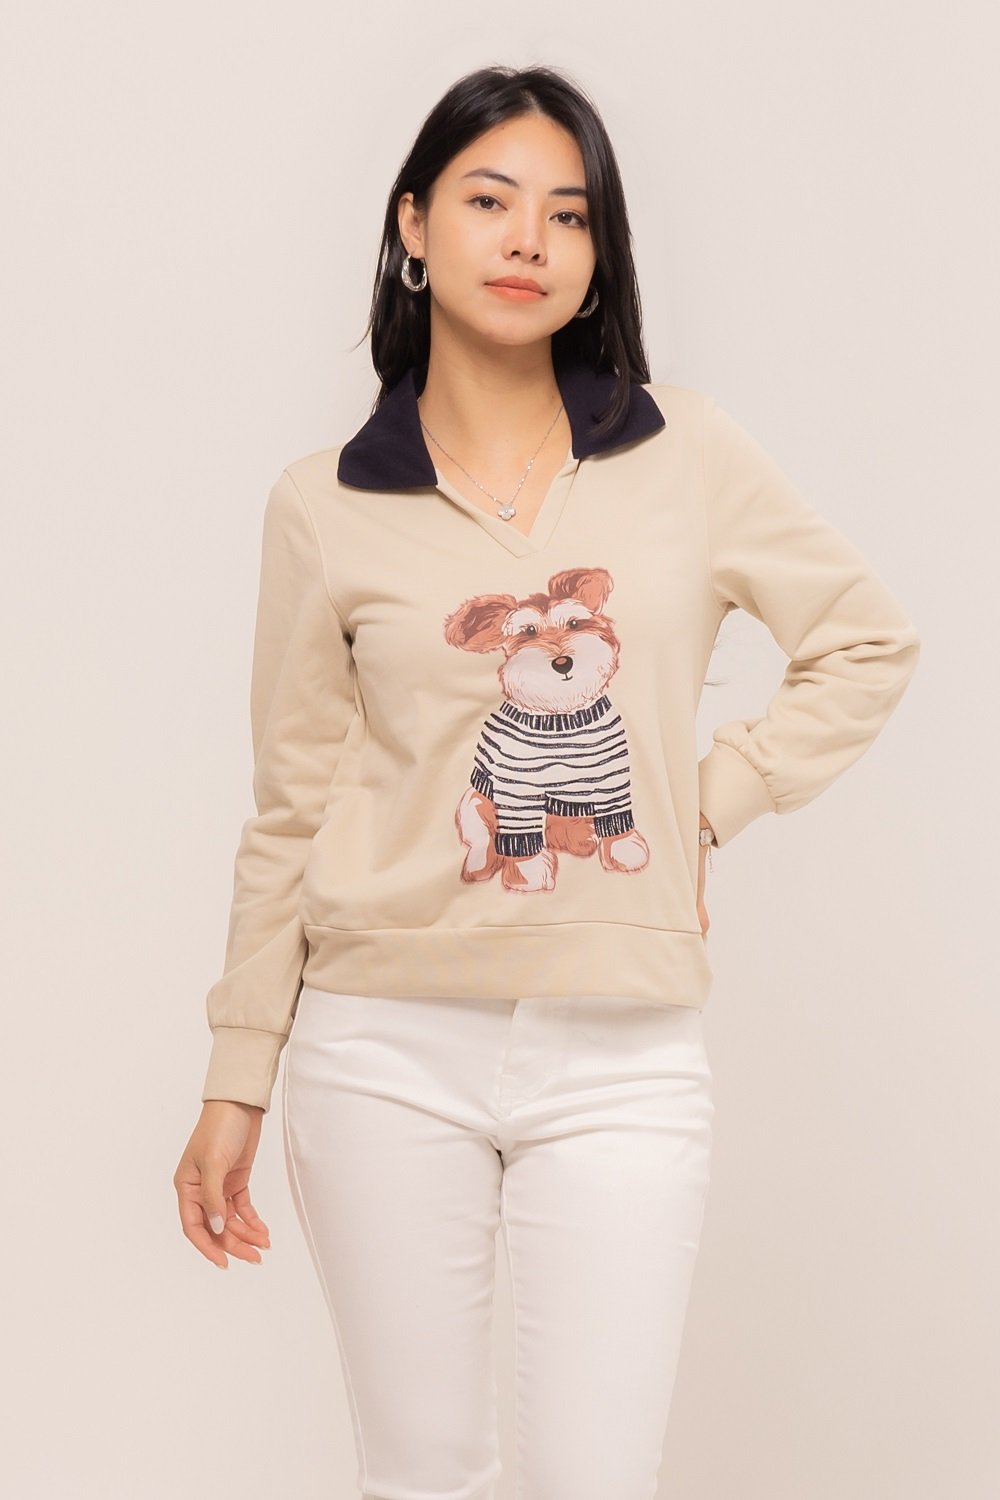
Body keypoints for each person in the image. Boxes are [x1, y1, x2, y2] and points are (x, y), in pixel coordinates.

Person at [174, 63, 921, 1500]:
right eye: (490, 200)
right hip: (380, 1043)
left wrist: (710, 803)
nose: (529, 239)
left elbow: (867, 639)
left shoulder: (688, 454)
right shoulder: (324, 504)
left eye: (569, 215)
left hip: (623, 1046)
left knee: (597, 1478)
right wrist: (236, 1074)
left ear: (597, 254)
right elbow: (290, 805)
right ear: (414, 227)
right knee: (425, 1475)